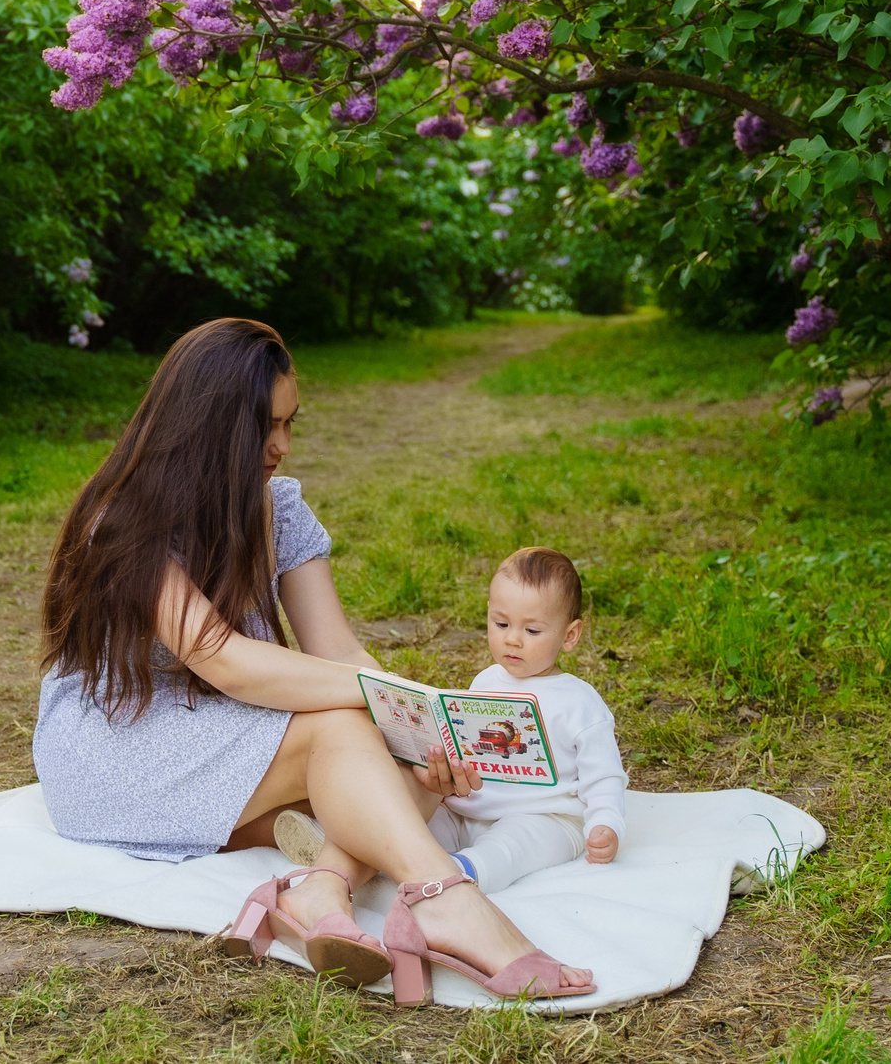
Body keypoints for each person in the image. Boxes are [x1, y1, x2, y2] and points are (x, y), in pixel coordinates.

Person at [32, 318, 592, 1004]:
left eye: (292, 423)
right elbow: (225, 659)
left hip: (215, 720)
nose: (282, 446)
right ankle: (446, 899)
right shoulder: (125, 521)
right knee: (348, 731)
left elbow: (340, 651)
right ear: (209, 426)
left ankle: (321, 887)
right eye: (265, 427)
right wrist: (387, 696)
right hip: (114, 751)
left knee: (397, 757)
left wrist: (417, 724)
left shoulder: (279, 509)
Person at [287, 547, 627, 893]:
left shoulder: (580, 702)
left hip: (544, 816)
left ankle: (461, 874)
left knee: (513, 846)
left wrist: (605, 822)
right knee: (409, 823)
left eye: (532, 631)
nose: (512, 638)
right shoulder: (485, 682)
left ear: (569, 636)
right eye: (501, 623)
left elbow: (604, 774)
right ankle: (355, 849)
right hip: (469, 807)